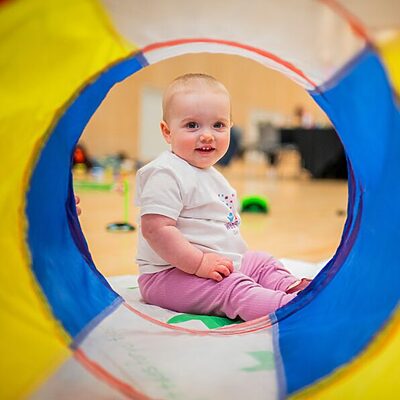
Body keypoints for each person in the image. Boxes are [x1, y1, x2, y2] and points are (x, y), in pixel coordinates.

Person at [135, 73, 310, 322]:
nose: (207, 135)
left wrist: (219, 261)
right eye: (192, 125)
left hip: (217, 263)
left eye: (218, 125)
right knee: (233, 288)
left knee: (260, 262)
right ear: (167, 131)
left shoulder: (212, 174)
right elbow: (156, 229)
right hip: (168, 274)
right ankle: (290, 308)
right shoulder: (166, 172)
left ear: (230, 126)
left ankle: (294, 288)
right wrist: (199, 263)